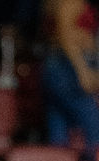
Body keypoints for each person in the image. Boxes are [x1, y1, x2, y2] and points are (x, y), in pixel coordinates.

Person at [42, 0, 99, 149]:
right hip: (66, 67)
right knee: (93, 122)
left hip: (65, 66)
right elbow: (65, 37)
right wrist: (83, 71)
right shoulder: (71, 2)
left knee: (59, 126)